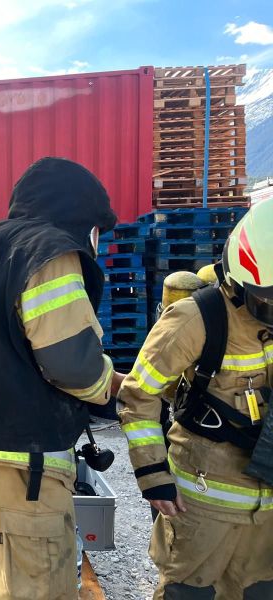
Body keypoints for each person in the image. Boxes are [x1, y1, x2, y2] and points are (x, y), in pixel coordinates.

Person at [0, 158, 123, 599]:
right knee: (37, 587)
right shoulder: (50, 253)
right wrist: (113, 385)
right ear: (82, 220)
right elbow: (71, 365)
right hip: (27, 463)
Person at [118, 201, 273, 600]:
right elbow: (138, 395)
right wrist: (153, 475)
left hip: (268, 510)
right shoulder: (195, 319)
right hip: (203, 503)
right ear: (238, 281)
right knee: (188, 592)